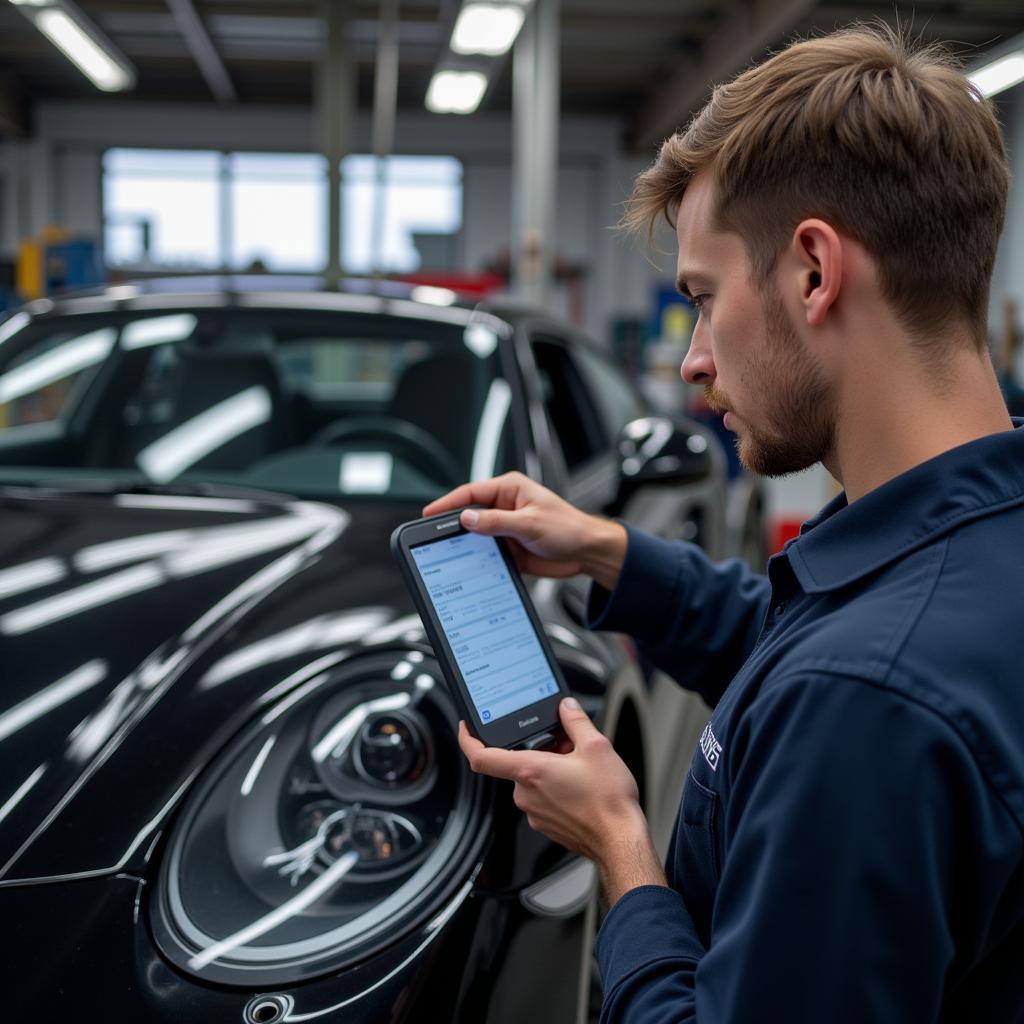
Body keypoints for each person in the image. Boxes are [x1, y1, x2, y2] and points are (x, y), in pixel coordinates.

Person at [426, 24, 1024, 1024]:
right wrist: (612, 553)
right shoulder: (964, 555)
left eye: (703, 299)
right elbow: (804, 645)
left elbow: (842, 687)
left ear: (812, 273)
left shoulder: (864, 707)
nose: (694, 360)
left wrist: (622, 851)